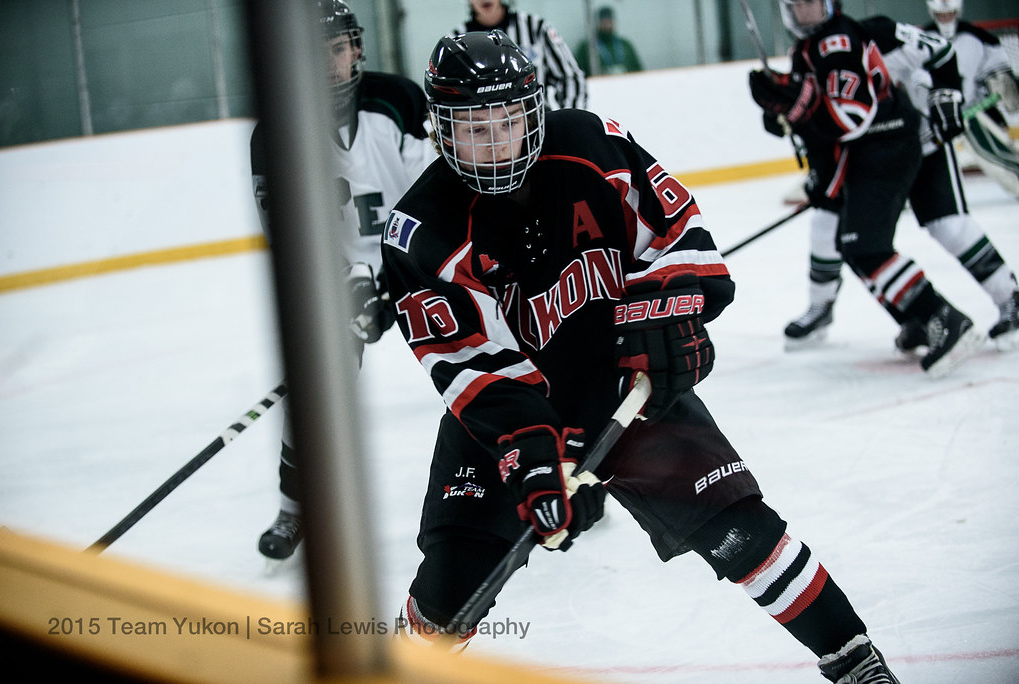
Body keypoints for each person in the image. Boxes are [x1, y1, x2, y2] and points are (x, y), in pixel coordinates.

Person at [382, 29, 901, 682]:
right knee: (454, 579)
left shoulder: (592, 145)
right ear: (440, 129)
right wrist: (532, 456)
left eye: (508, 122)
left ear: (533, 112)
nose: (495, 144)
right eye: (473, 128)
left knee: (742, 531)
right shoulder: (421, 231)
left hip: (623, 385)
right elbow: (476, 367)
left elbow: (677, 233)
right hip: (505, 422)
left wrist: (668, 313)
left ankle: (854, 660)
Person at [250, 0, 436, 560]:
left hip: (416, 266)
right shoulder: (276, 132)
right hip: (338, 284)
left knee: (493, 351)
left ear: (356, 47)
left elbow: (438, 196)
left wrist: (399, 276)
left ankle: (541, 467)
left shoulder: (400, 99)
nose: (333, 61)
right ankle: (294, 508)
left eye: (339, 47)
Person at [749, 0, 990, 377]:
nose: (805, 11)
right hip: (870, 153)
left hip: (887, 146)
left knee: (869, 245)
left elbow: (850, 119)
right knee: (854, 246)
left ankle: (944, 317)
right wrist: (785, 111)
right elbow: (821, 128)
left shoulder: (838, 43)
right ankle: (918, 318)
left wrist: (796, 105)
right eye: (797, 5)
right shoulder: (810, 50)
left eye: (812, 2)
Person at [924, 0, 1019, 199]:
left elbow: (998, 71)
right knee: (917, 158)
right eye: (941, 15)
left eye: (949, 14)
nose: (946, 19)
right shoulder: (924, 39)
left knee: (997, 156)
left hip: (972, 112)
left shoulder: (977, 37)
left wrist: (1001, 79)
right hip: (933, 116)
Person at [453, 0, 587, 110]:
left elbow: (570, 77)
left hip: (537, 126)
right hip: (480, 132)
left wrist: (569, 117)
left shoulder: (535, 28)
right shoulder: (456, 41)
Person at [575, 6, 644, 76]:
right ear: (597, 23)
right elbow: (577, 72)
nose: (607, 25)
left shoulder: (626, 45)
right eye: (603, 22)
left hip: (627, 85)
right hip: (599, 85)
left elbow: (639, 71)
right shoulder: (587, 47)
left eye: (609, 21)